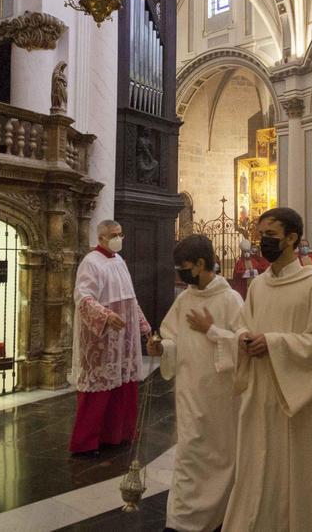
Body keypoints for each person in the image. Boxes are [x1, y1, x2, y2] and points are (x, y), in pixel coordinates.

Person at [219, 207, 312, 531]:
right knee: (258, 466)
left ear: (292, 238)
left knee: (294, 469)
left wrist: (272, 343)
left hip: (295, 398)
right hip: (260, 393)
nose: (263, 243)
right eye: (260, 237)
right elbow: (243, 325)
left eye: (270, 236)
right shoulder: (258, 287)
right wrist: (245, 339)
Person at [147, 235, 242, 532]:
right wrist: (162, 348)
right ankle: (181, 521)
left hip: (221, 397)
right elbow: (172, 337)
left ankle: (216, 516)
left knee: (219, 457)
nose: (181, 274)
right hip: (189, 393)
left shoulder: (230, 299)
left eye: (184, 267)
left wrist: (210, 329)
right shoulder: (185, 298)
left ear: (201, 264)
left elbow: (244, 344)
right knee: (188, 454)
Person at [69, 220, 151, 456]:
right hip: (101, 338)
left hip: (123, 337)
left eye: (120, 234)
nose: (119, 238)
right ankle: (86, 443)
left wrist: (144, 327)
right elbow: (83, 297)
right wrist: (105, 316)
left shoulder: (119, 261)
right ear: (101, 238)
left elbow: (130, 297)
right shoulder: (90, 262)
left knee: (122, 387)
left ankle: (116, 434)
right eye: (114, 234)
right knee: (99, 391)